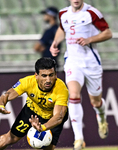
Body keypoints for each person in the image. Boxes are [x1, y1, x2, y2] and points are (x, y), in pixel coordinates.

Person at [50, 0, 112, 149]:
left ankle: (101, 117)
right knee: (73, 95)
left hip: (91, 62)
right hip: (72, 61)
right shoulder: (63, 14)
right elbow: (62, 29)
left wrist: (89, 39)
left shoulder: (92, 13)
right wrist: (55, 42)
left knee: (96, 102)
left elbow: (108, 33)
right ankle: (79, 139)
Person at [0, 57, 69, 150]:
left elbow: (58, 116)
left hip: (51, 118)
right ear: (36, 75)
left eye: (51, 75)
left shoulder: (61, 89)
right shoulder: (27, 82)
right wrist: (1, 105)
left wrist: (43, 127)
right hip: (31, 112)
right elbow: (6, 96)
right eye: (44, 76)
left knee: (48, 148)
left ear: (56, 75)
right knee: (10, 138)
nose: (48, 80)